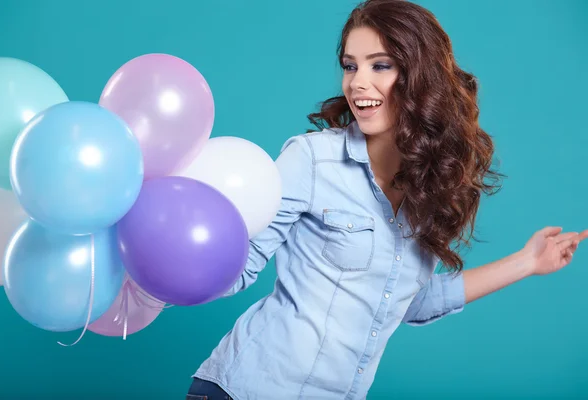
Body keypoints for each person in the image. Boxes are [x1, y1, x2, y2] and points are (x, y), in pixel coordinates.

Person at [186, 0, 588, 399]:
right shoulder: (312, 160)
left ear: (420, 76)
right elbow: (238, 268)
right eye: (350, 65)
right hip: (246, 390)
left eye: (380, 65)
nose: (358, 82)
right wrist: (161, 254)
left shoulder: (429, 186)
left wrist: (528, 261)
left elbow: (410, 301)